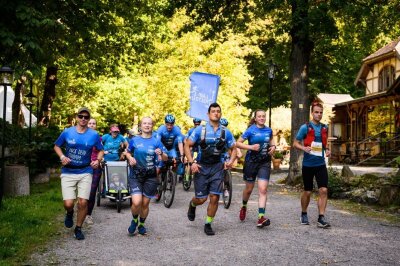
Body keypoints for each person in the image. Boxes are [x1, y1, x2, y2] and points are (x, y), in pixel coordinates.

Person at [184, 103, 237, 235]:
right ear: (208, 114)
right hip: (201, 167)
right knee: (201, 199)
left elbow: (233, 148)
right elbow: (187, 145)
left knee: (214, 198)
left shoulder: (226, 132)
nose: (216, 113)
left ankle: (208, 223)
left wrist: (230, 161)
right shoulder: (199, 130)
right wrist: (192, 163)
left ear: (221, 114)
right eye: (213, 111)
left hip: (217, 167)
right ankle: (193, 204)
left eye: (218, 111)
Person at [54, 107, 104, 240]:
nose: (83, 119)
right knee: (68, 203)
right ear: (76, 117)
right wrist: (62, 157)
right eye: (81, 116)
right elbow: (57, 146)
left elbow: (101, 150)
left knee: (83, 202)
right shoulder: (67, 132)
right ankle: (69, 213)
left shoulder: (93, 135)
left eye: (86, 117)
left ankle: (78, 228)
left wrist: (97, 160)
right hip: (68, 171)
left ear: (88, 119)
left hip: (85, 171)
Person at [125, 117, 168, 236]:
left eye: (149, 124)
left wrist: (162, 154)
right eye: (145, 123)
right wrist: (130, 158)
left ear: (152, 126)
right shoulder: (134, 140)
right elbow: (127, 152)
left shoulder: (156, 141)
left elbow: (165, 158)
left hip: (151, 176)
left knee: (145, 203)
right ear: (141, 125)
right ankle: (134, 220)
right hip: (136, 174)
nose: (147, 125)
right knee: (137, 202)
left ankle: (142, 224)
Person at [293, 101, 331, 228]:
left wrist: (328, 150)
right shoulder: (305, 127)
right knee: (307, 192)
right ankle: (304, 213)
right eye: (316, 112)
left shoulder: (325, 127)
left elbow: (326, 144)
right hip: (308, 165)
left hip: (320, 164)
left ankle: (321, 217)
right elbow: (295, 143)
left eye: (320, 112)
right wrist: (304, 148)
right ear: (311, 113)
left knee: (323, 190)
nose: (318, 115)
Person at [236, 110, 276, 227]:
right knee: (249, 189)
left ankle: (261, 217)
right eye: (259, 116)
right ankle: (244, 206)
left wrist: (273, 146)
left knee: (263, 190)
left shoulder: (269, 130)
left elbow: (272, 140)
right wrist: (251, 147)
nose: (262, 118)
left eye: (263, 116)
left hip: (264, 162)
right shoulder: (251, 130)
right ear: (256, 118)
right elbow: (238, 143)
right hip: (251, 162)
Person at [85, 118, 102, 225]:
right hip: (83, 166)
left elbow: (102, 150)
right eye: (90, 123)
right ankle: (80, 208)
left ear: (96, 126)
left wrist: (99, 160)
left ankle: (88, 215)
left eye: (93, 124)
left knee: (92, 191)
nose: (91, 125)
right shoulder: (81, 136)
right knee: (82, 191)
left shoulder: (98, 138)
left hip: (95, 166)